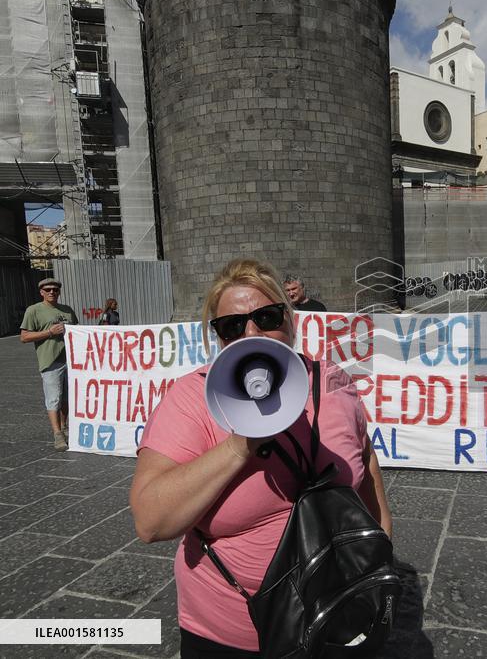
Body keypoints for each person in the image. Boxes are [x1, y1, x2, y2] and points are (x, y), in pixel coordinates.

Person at [130, 259, 391, 656]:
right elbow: (150, 522)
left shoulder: (333, 382)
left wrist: (379, 557)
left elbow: (365, 460)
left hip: (336, 616)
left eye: (266, 317)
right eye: (232, 326)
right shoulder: (191, 399)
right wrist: (239, 445)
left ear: (289, 320)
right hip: (231, 631)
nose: (252, 332)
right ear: (217, 338)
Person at [20, 279, 79, 451]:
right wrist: (49, 332)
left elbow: (79, 331)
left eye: (55, 289)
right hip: (50, 361)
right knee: (54, 399)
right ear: (41, 292)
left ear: (59, 291)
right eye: (48, 290)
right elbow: (24, 337)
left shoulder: (67, 310)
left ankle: (65, 426)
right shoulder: (34, 310)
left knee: (68, 398)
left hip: (71, 361)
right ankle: (57, 434)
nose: (52, 292)